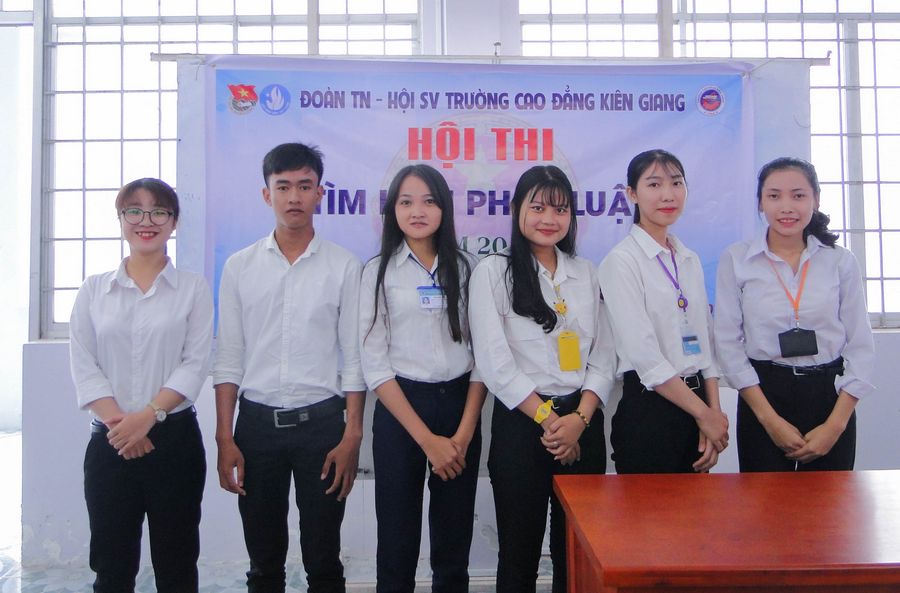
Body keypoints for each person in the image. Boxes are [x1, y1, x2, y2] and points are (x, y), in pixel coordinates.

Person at [213, 142, 366, 593]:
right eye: (283, 187)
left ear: (320, 193)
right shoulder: (239, 267)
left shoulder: (344, 266)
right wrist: (224, 436)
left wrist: (352, 435)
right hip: (256, 427)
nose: (294, 197)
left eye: (304, 186)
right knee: (263, 562)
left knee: (324, 558)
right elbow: (228, 358)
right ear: (267, 195)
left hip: (323, 427)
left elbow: (355, 357)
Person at [468, 165, 616, 593]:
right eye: (537, 208)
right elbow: (495, 363)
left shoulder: (586, 273)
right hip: (524, 425)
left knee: (577, 555)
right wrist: (553, 423)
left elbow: (604, 354)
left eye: (560, 209)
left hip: (582, 422)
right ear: (516, 210)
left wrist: (579, 420)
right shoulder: (493, 273)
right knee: (519, 556)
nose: (549, 219)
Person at [69, 178, 213, 593]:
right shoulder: (94, 290)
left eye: (158, 212)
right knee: (111, 568)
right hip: (110, 444)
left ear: (174, 222)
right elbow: (84, 364)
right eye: (134, 211)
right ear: (120, 219)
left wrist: (147, 417)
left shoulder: (193, 288)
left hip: (174, 443)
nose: (146, 221)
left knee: (177, 565)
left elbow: (194, 363)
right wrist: (123, 427)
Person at [359, 164, 486, 593]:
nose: (418, 211)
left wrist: (463, 433)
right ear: (393, 210)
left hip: (458, 408)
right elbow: (375, 364)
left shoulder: (468, 268)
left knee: (453, 543)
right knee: (397, 542)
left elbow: (482, 357)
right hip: (401, 412)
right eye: (406, 202)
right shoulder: (378, 271)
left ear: (444, 208)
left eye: (429, 201)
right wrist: (427, 440)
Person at [714, 157, 875, 472]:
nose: (786, 207)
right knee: (765, 501)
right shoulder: (737, 259)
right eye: (774, 196)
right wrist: (769, 421)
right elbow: (727, 342)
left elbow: (861, 346)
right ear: (760, 202)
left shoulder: (840, 261)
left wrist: (835, 426)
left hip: (829, 397)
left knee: (829, 501)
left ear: (816, 199)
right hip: (764, 394)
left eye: (798, 195)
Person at [598, 149, 728, 475]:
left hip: (698, 407)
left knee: (696, 508)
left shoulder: (688, 258)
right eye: (654, 184)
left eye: (676, 183)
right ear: (632, 194)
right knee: (652, 509)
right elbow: (645, 357)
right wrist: (705, 414)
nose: (668, 195)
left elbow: (705, 343)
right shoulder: (621, 261)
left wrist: (713, 413)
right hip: (650, 412)